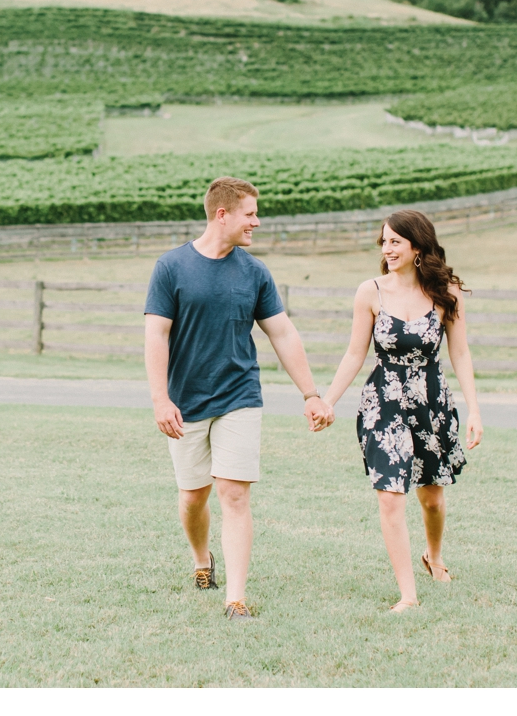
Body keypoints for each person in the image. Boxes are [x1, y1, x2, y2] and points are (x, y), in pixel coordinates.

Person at [144, 176, 331, 621]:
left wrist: (310, 393)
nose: (257, 222)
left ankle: (236, 598)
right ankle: (202, 560)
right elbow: (156, 334)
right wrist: (160, 399)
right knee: (194, 497)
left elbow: (282, 333)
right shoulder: (171, 267)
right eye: (250, 213)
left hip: (240, 396)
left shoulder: (254, 272)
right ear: (222, 214)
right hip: (185, 401)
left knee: (234, 495)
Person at [314, 209, 483, 612]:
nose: (387, 248)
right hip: (383, 402)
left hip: (431, 401)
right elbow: (355, 353)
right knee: (390, 496)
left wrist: (474, 410)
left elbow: (460, 354)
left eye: (396, 241)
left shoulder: (447, 293)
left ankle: (434, 556)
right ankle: (408, 595)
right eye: (384, 240)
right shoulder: (369, 292)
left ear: (418, 247)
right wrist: (327, 401)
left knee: (432, 499)